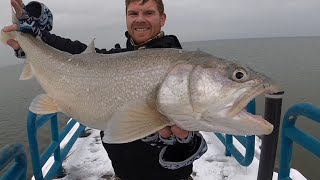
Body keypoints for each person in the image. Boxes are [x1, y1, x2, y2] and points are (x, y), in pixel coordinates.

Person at [3, 0, 208, 179]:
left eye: (149, 13)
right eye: (133, 13)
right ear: (126, 18)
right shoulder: (116, 57)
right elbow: (77, 53)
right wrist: (38, 38)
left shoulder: (179, 68)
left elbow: (194, 139)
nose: (140, 19)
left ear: (162, 18)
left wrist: (184, 140)